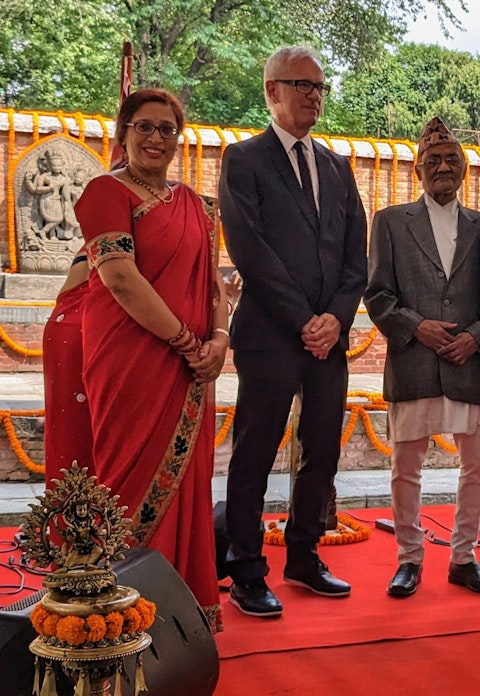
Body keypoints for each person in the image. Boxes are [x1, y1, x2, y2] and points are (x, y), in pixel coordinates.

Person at [219, 46, 368, 618]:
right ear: (271, 91)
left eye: (319, 86)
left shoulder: (337, 166)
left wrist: (336, 317)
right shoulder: (244, 160)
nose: (314, 94)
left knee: (323, 449)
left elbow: (356, 253)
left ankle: (304, 554)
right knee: (255, 451)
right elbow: (249, 250)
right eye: (301, 84)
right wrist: (303, 319)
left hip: (329, 338)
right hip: (269, 332)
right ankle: (247, 569)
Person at [77, 88, 227, 631]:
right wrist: (188, 343)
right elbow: (119, 278)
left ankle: (181, 616)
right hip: (132, 359)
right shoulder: (104, 192)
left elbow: (216, 286)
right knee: (124, 474)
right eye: (144, 126)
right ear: (123, 133)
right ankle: (116, 615)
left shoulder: (199, 207)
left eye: (167, 129)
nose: (156, 138)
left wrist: (220, 340)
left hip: (194, 368)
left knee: (191, 480)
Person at [366, 117, 480, 598]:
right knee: (406, 467)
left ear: (464, 170)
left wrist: (477, 337)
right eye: (434, 161)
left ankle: (464, 557)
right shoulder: (389, 222)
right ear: (419, 170)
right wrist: (415, 327)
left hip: (469, 362)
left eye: (451, 160)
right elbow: (378, 295)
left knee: (477, 469)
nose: (443, 167)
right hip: (414, 361)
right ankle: (409, 558)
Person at [42, 256, 92, 485]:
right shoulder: (116, 238)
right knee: (77, 434)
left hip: (67, 325)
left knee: (69, 432)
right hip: (83, 331)